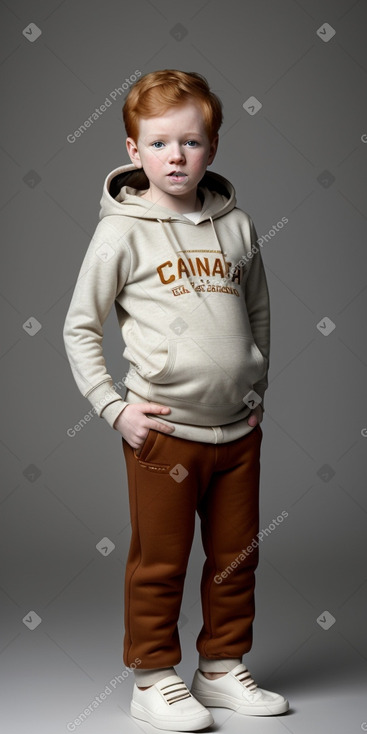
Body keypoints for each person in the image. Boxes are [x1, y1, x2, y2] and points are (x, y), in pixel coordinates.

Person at [63, 69, 289, 731]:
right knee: (159, 560)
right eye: (159, 143)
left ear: (211, 148)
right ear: (133, 150)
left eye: (190, 142)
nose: (175, 156)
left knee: (235, 555)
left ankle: (219, 668)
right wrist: (113, 406)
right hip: (163, 434)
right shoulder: (120, 233)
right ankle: (153, 676)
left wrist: (256, 388)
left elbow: (261, 316)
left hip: (236, 431)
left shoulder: (238, 225)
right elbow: (80, 325)